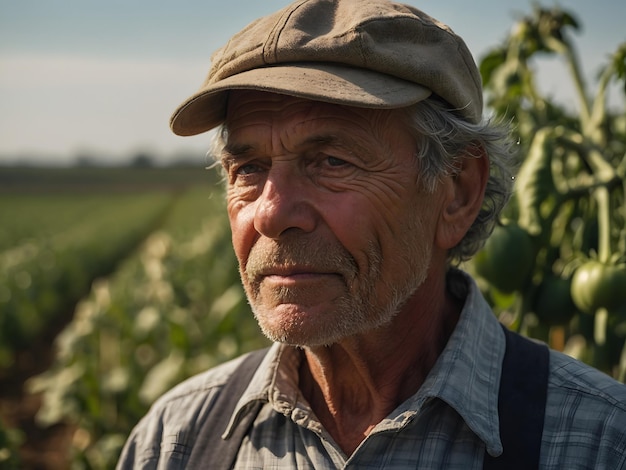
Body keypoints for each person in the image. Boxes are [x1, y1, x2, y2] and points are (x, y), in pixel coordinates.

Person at [117, 0, 626, 468]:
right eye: (248, 168)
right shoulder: (175, 441)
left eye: (332, 161)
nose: (271, 215)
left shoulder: (598, 443)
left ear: (457, 192)